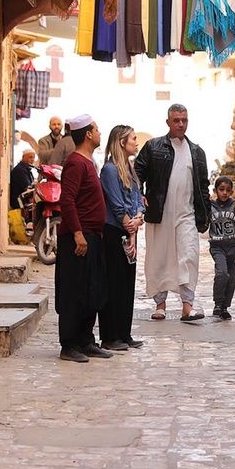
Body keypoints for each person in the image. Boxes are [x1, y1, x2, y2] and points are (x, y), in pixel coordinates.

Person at [134, 103, 211, 322]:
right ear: (168, 121)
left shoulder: (196, 152)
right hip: (159, 214)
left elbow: (203, 187)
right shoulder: (153, 147)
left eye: (184, 120)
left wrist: (204, 215)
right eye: (176, 120)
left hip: (186, 215)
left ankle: (188, 306)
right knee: (159, 258)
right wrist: (139, 195)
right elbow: (137, 173)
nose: (180, 124)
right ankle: (160, 305)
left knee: (188, 256)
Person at [55, 114, 112, 363]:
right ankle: (69, 344)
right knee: (74, 292)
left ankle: (86, 340)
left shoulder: (89, 162)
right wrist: (78, 233)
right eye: (97, 129)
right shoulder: (76, 163)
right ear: (88, 134)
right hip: (79, 238)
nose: (100, 132)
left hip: (93, 236)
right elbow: (66, 200)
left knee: (92, 291)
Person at [99, 125, 146, 351]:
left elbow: (137, 196)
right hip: (114, 231)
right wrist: (130, 225)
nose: (136, 142)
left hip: (129, 229)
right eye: (133, 139)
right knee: (113, 284)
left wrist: (138, 217)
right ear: (121, 142)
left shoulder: (129, 167)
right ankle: (110, 335)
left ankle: (124, 333)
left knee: (127, 284)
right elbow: (116, 204)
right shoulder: (109, 170)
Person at [208, 176, 235, 320]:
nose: (224, 193)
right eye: (221, 189)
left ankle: (225, 307)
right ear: (215, 191)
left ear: (231, 192)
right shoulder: (210, 207)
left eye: (228, 190)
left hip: (234, 247)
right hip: (217, 246)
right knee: (222, 273)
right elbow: (202, 221)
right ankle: (218, 304)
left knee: (231, 278)